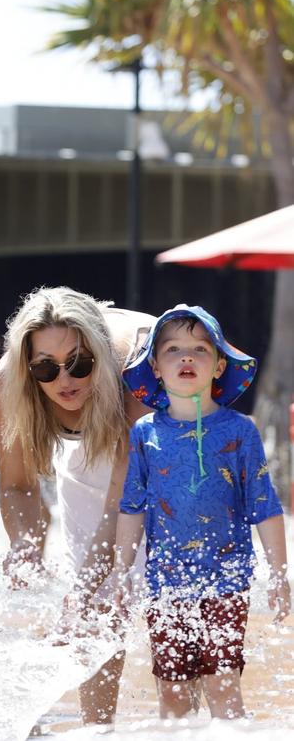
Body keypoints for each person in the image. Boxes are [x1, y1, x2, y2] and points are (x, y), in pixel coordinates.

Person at [114, 304, 290, 720]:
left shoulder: (239, 430)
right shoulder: (146, 434)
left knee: (223, 686)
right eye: (173, 349)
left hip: (227, 580)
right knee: (172, 693)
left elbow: (264, 505)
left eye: (199, 348)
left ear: (219, 366)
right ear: (155, 366)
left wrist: (280, 573)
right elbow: (132, 505)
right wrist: (122, 572)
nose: (186, 357)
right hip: (166, 584)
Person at [0, 286, 155, 727]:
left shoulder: (136, 368)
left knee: (171, 598)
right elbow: (19, 486)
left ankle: (190, 725)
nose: (65, 380)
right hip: (93, 446)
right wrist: (24, 548)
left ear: (99, 356)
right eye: (46, 368)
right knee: (96, 606)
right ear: (28, 369)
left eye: (80, 364)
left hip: (164, 437)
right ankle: (97, 729)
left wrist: (80, 591)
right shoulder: (9, 381)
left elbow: (124, 502)